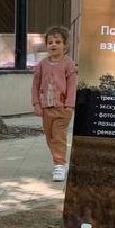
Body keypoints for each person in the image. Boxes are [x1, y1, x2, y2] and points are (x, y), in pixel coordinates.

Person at [31, 25, 76, 182]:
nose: (53, 45)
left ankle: (59, 165)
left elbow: (72, 85)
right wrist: (36, 104)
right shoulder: (41, 65)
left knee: (58, 137)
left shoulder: (68, 63)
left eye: (57, 42)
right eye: (50, 42)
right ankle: (61, 162)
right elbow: (35, 86)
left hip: (63, 108)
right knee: (50, 138)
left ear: (65, 45)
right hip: (46, 109)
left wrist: (69, 105)